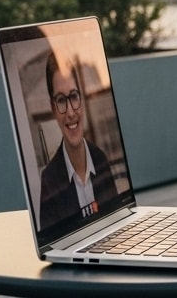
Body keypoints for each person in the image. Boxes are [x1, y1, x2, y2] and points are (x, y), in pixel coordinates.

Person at [39, 49, 119, 230]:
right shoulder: (49, 181)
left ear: (81, 99)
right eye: (61, 100)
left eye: (74, 96)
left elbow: (116, 220)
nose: (70, 112)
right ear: (53, 108)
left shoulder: (101, 160)